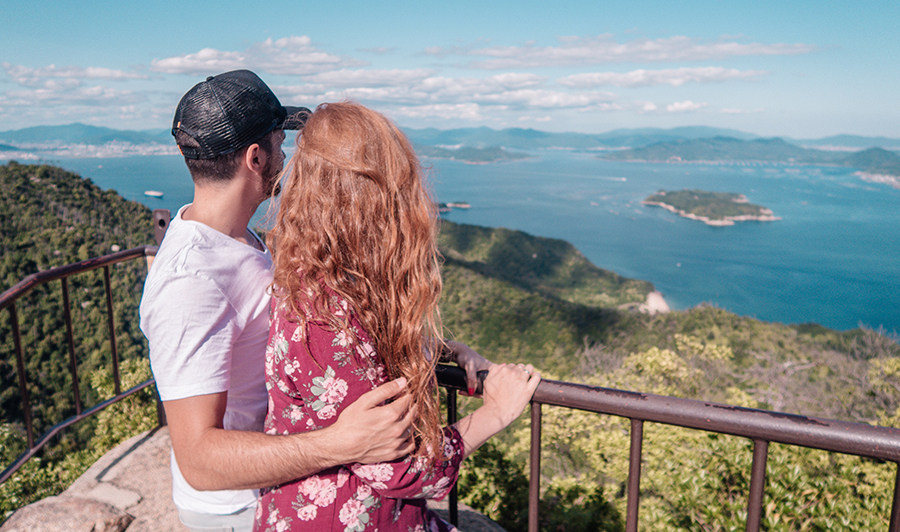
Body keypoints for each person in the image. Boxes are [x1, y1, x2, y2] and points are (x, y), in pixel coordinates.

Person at [140, 71, 491, 532]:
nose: (287, 154)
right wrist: (339, 444)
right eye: (280, 140)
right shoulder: (192, 281)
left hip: (284, 480)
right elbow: (199, 460)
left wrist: (435, 347)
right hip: (239, 508)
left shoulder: (237, 240)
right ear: (255, 156)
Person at [254, 101, 541, 532]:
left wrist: (440, 349)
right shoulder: (325, 320)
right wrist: (497, 412)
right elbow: (402, 470)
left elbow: (364, 362)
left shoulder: (317, 280)